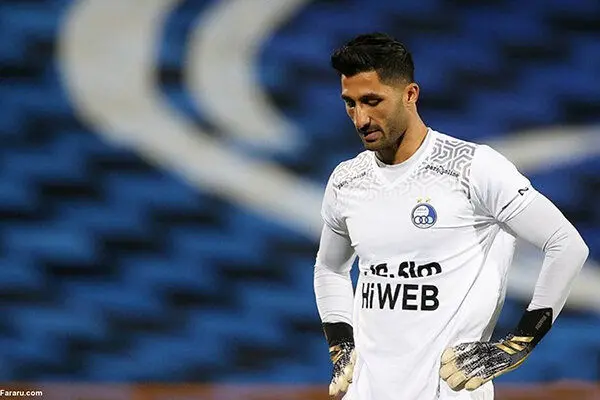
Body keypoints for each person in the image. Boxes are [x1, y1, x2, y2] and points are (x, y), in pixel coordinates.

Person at [313, 32, 589, 400]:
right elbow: (330, 268)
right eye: (350, 104)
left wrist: (519, 342)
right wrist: (340, 342)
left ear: (410, 94)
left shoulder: (474, 168)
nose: (361, 118)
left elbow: (566, 245)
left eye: (372, 101)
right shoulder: (347, 180)